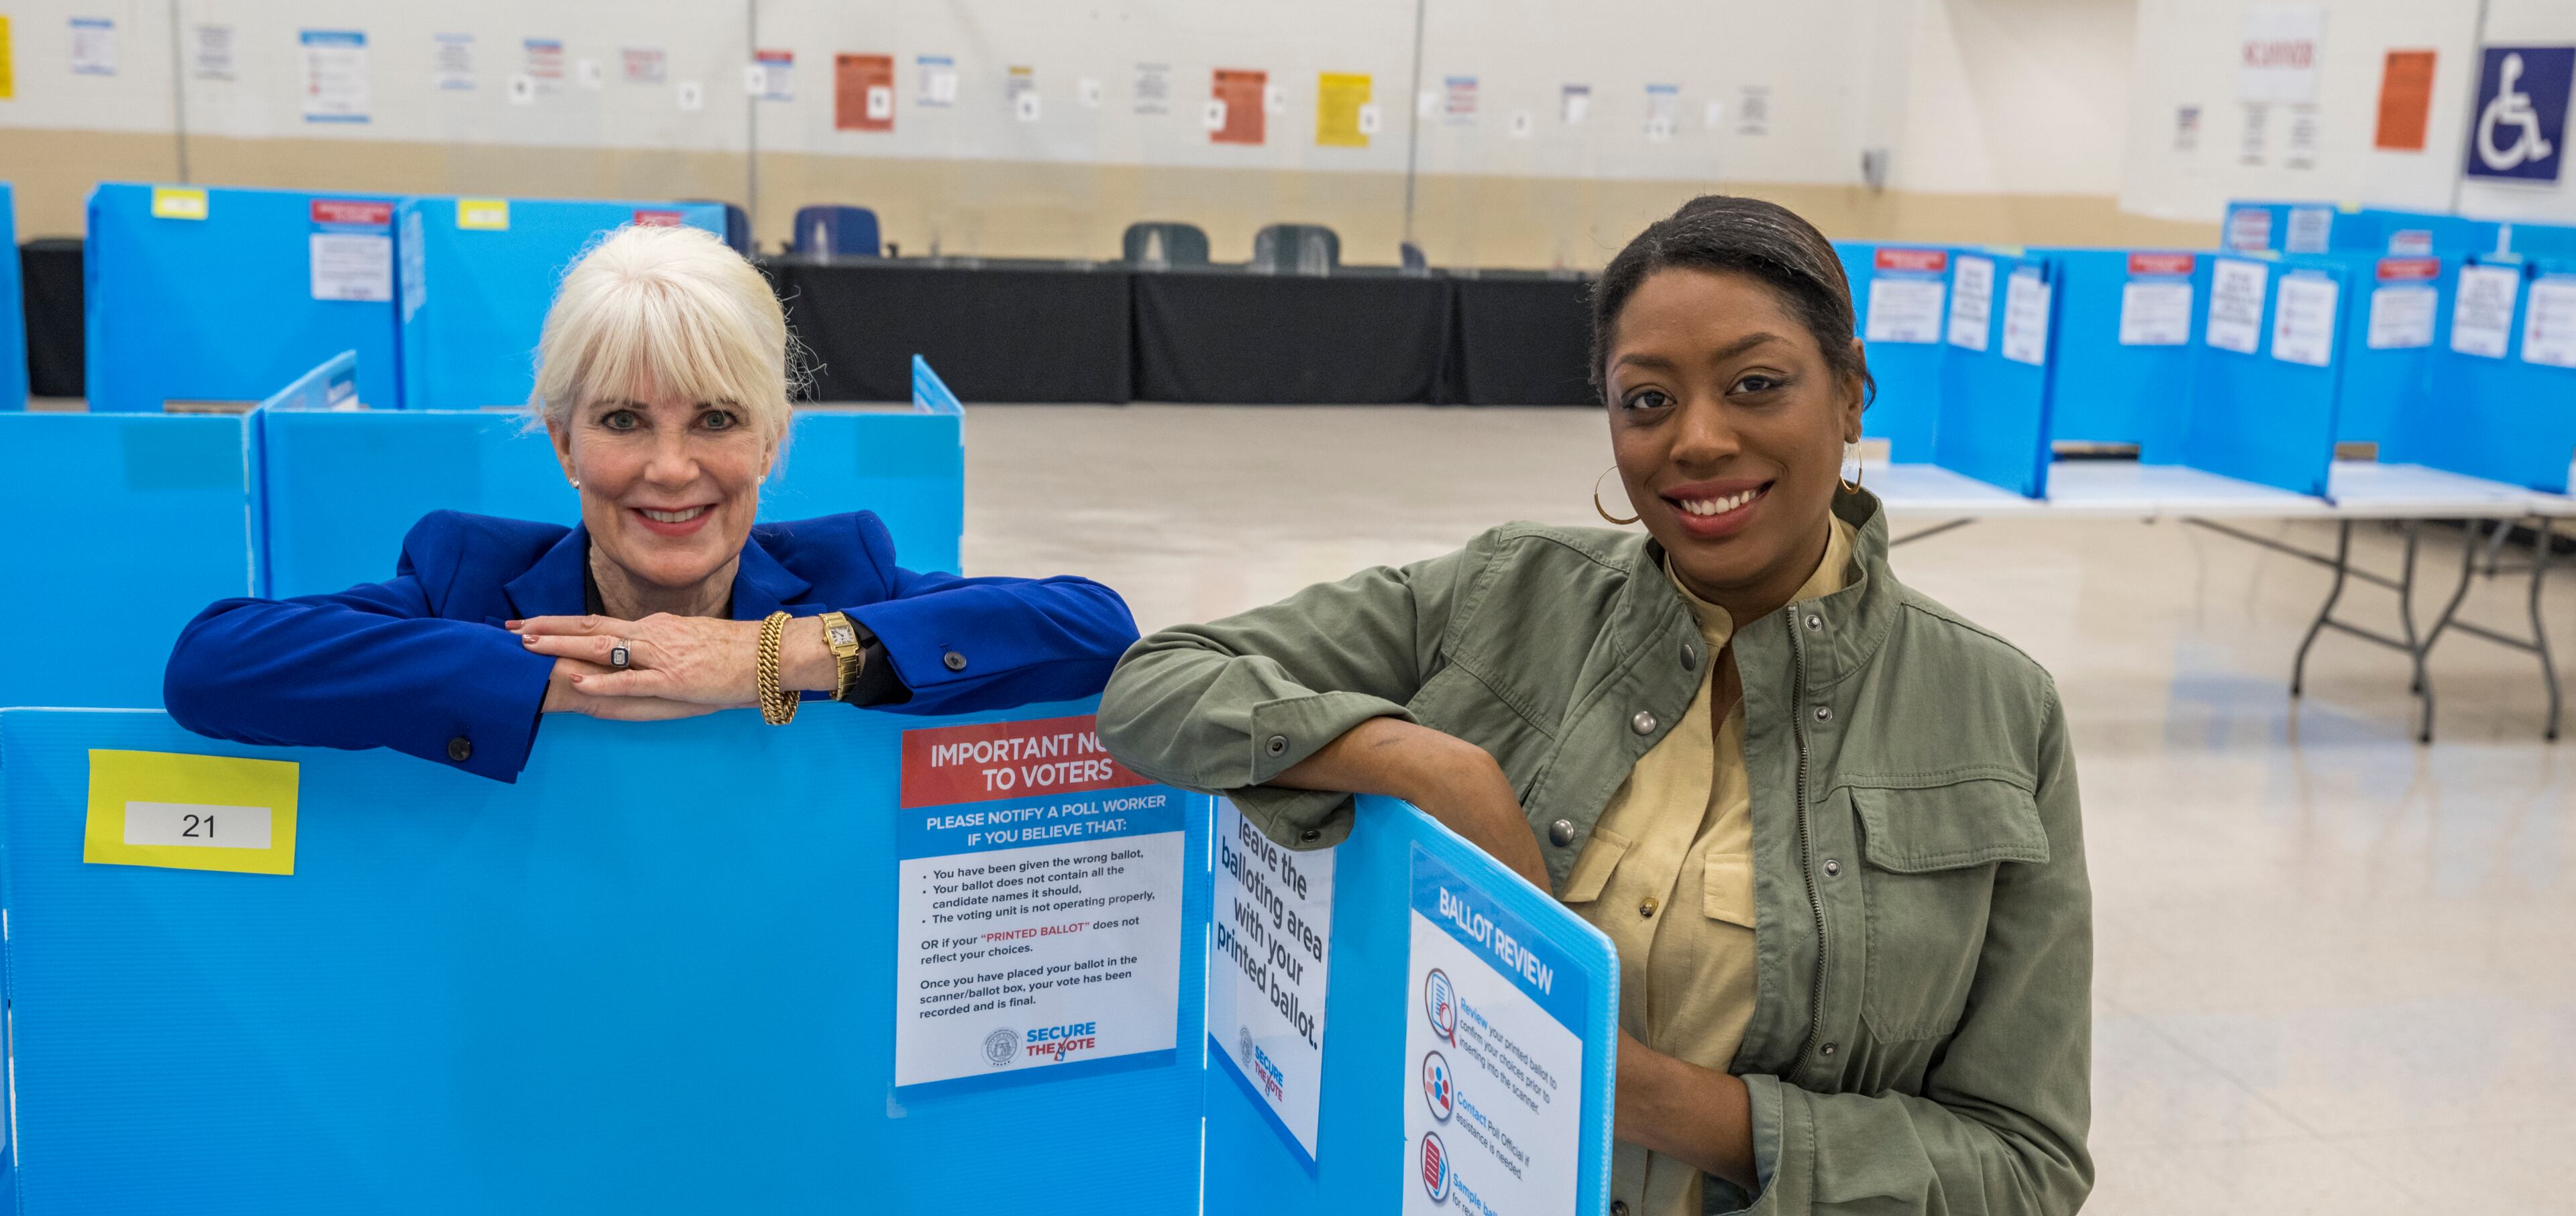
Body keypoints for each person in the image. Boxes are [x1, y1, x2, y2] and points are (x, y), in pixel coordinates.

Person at [1098, 197, 2090, 1216]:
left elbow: (2025, 1165)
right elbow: (1160, 681)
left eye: (1756, 385)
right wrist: (1427, 764)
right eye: (1647, 402)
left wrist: (1649, 1096)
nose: (1697, 441)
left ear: (1848, 395)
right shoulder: (1507, 594)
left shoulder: (1996, 711)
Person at [166, 223, 1137, 781]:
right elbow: (212, 664)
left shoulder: (849, 579)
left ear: (770, 443)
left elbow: (1093, 630)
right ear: (564, 445)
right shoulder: (464, 578)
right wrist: (575, 675)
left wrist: (770, 656)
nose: (672, 470)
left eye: (715, 420)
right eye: (625, 421)